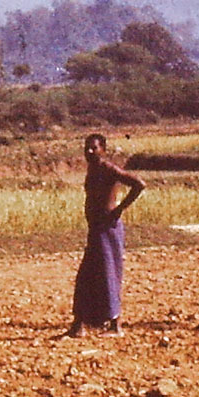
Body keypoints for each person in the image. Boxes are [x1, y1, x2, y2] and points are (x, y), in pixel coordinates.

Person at [67, 133, 145, 338]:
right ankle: (78, 325)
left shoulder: (107, 168)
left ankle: (115, 326)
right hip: (96, 228)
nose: (89, 151)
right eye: (87, 147)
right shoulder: (92, 169)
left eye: (94, 147)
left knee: (108, 273)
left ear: (103, 149)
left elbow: (139, 184)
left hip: (107, 229)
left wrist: (119, 209)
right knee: (87, 276)